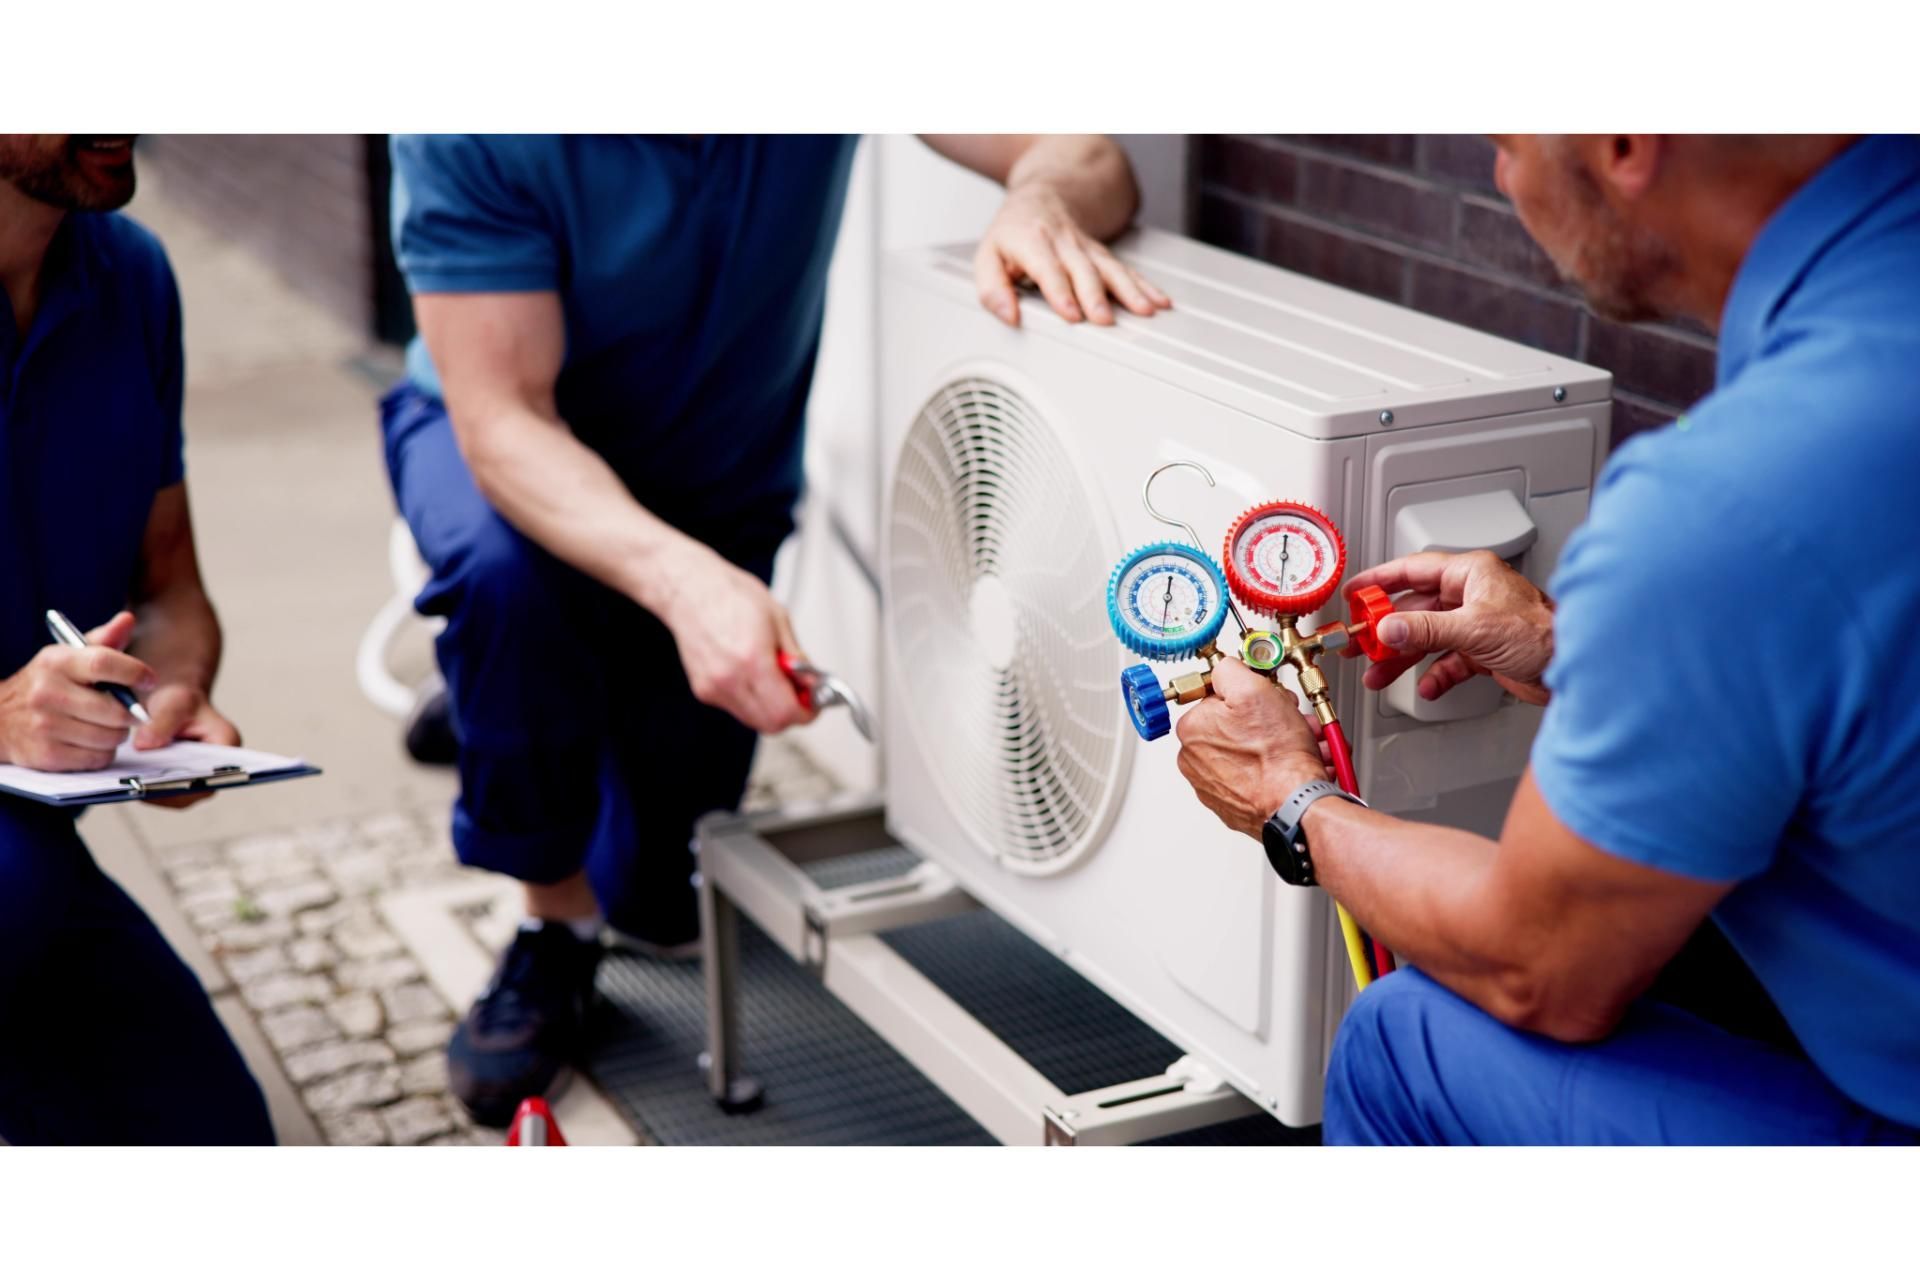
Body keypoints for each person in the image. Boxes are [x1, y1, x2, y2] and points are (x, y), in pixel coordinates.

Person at [383, 134, 1168, 1125]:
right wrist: (681, 585)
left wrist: (1041, 196)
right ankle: (552, 923)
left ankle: (524, 690)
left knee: (660, 901)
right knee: (511, 591)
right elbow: (503, 422)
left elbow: (1084, 149)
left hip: (718, 478)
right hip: (507, 448)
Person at [1173, 134, 1920, 1144]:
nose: (1501, 176)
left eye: (1507, 141)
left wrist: (1288, 796)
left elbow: (1541, 972)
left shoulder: (1727, 500)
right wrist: (1574, 644)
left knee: (1403, 1038)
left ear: (1621, 142)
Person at [0, 134, 273, 1144]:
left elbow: (170, 587)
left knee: (222, 1146)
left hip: (29, 850)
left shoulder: (132, 274)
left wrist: (176, 697)